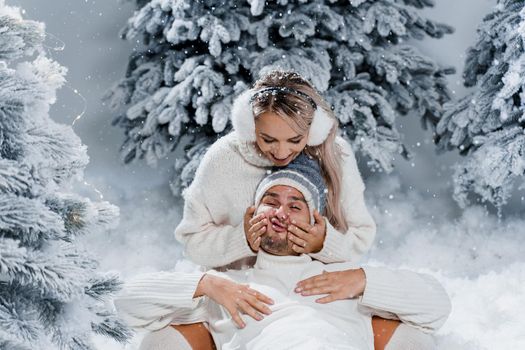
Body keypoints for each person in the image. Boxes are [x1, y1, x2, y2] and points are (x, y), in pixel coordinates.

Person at [115, 155, 451, 349]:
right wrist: (208, 285)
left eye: (295, 206)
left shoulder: (341, 281)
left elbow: (437, 306)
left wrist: (363, 280)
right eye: (270, 202)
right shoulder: (230, 287)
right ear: (251, 216)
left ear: (314, 220)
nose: (281, 212)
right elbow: (125, 302)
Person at [175, 69, 376, 270]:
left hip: (306, 289)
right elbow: (192, 240)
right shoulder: (223, 158)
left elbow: (361, 235)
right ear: (250, 127)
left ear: (314, 130)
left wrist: (324, 244)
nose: (281, 152)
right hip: (236, 290)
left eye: (295, 140)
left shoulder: (335, 154)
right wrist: (240, 240)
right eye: (268, 139)